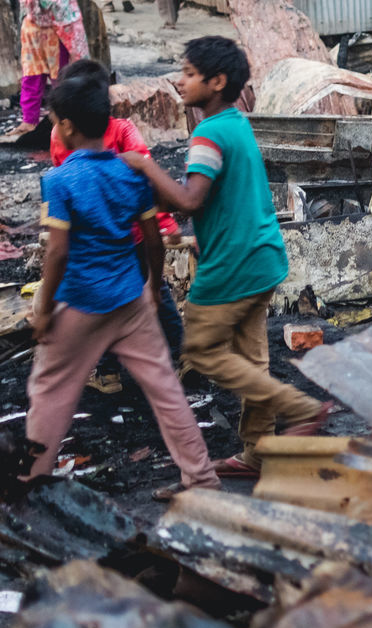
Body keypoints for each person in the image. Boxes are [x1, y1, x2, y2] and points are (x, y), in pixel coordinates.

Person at [121, 36, 330, 480]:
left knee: (200, 348)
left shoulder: (207, 134)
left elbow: (191, 200)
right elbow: (214, 197)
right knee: (251, 361)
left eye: (190, 74)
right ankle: (257, 452)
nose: (181, 81)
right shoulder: (235, 123)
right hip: (263, 257)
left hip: (232, 265)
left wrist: (144, 166)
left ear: (216, 82)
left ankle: (301, 408)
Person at [26, 73, 219, 502]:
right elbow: (152, 240)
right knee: (166, 390)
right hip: (130, 299)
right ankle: (202, 479)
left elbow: (57, 255)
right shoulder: (130, 174)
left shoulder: (59, 181)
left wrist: (43, 311)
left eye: (55, 121)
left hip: (79, 303)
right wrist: (151, 287)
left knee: (49, 390)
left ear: (68, 127)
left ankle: (28, 485)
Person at [49, 59, 184, 392]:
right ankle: (183, 354)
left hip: (91, 244)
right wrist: (165, 222)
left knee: (100, 303)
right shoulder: (122, 129)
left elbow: (67, 187)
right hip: (135, 235)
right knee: (156, 292)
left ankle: (109, 373)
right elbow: (147, 186)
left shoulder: (60, 135)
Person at [9, 0, 88, 137]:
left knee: (58, 78)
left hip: (53, 36)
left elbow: (53, 6)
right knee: (31, 77)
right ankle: (29, 121)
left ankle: (63, 120)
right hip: (32, 37)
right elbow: (27, 5)